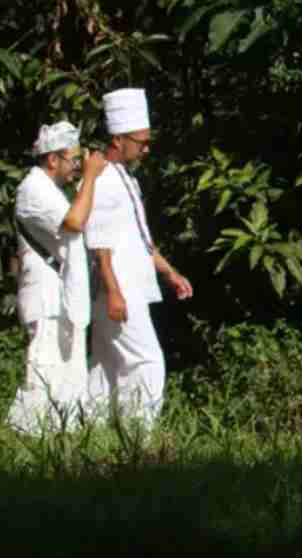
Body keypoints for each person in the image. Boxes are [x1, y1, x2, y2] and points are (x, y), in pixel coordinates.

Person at [87, 88, 193, 426]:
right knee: (147, 361)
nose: (146, 149)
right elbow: (98, 239)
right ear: (118, 139)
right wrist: (113, 290)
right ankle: (139, 440)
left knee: (106, 367)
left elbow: (140, 239)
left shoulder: (127, 180)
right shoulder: (102, 178)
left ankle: (91, 435)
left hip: (130, 282)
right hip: (118, 288)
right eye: (141, 141)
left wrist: (170, 273)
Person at [10, 122, 107, 434]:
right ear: (53, 159)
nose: (77, 167)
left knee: (68, 373)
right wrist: (90, 177)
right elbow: (75, 222)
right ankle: (26, 437)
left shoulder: (51, 190)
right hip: (45, 295)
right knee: (43, 370)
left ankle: (59, 441)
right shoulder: (33, 189)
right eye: (74, 160)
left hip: (61, 293)